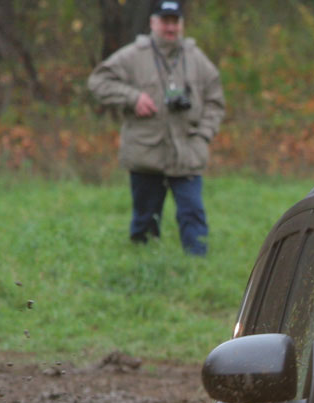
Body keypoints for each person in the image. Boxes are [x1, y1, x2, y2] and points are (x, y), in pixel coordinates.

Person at [87, 0, 225, 255]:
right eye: (165, 21)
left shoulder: (196, 58)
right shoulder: (133, 55)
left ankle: (197, 267)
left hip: (187, 151)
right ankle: (145, 266)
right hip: (145, 152)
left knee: (193, 213)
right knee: (145, 219)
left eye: (175, 21)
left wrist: (204, 136)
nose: (170, 28)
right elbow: (98, 81)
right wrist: (132, 97)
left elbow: (216, 101)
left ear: (182, 24)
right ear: (153, 23)